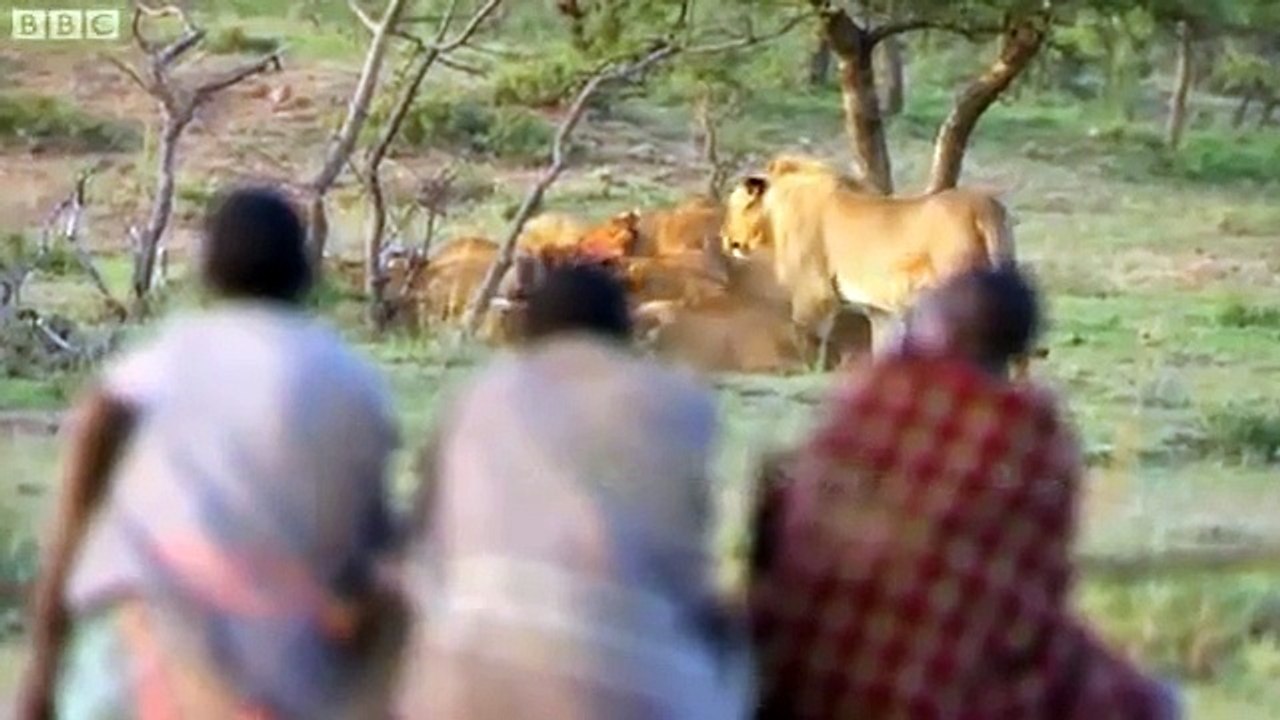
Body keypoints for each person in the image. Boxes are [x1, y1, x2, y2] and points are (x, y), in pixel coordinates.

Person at [17, 187, 404, 720]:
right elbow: (368, 566)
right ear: (306, 274)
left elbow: (74, 520)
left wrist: (42, 672)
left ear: (208, 270)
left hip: (137, 656)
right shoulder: (356, 386)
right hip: (281, 668)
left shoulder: (154, 367)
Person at [747, 267, 1179, 719]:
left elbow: (787, 521)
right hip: (951, 691)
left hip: (811, 676)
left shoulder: (878, 393)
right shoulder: (1037, 431)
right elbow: (1039, 589)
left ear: (945, 324)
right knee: (1150, 701)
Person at [397, 264, 752, 720]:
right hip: (634, 686)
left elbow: (421, 544)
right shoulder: (680, 405)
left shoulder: (478, 397)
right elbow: (690, 564)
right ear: (623, 331)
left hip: (460, 682)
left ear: (527, 334)